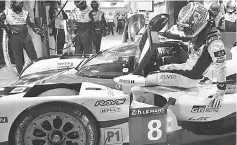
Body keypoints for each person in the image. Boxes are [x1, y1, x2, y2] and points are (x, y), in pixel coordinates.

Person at [133, 2, 227, 108]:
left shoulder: (214, 42)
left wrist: (220, 92)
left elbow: (221, 67)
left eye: (186, 27)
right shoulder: (202, 30)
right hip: (187, 70)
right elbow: (181, 35)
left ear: (197, 24)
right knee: (159, 68)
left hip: (189, 77)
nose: (184, 30)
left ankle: (138, 102)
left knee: (150, 77)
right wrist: (162, 33)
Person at [0, 0, 44, 74]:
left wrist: (38, 31)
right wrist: (6, 28)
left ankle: (37, 71)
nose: (19, 4)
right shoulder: (6, 12)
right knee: (18, 57)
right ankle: (21, 74)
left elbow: (31, 25)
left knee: (33, 55)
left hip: (26, 36)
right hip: (14, 37)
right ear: (13, 3)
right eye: (18, 3)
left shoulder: (25, 13)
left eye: (21, 3)